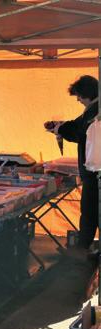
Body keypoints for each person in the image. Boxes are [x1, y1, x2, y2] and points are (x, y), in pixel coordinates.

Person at [44, 75, 99, 252]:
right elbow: (77, 125)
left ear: (87, 94)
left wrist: (60, 129)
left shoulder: (95, 112)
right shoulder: (93, 109)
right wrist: (60, 126)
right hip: (93, 173)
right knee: (90, 211)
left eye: (79, 96)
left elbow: (80, 131)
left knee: (90, 211)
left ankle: (82, 249)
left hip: (94, 174)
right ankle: (84, 247)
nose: (77, 99)